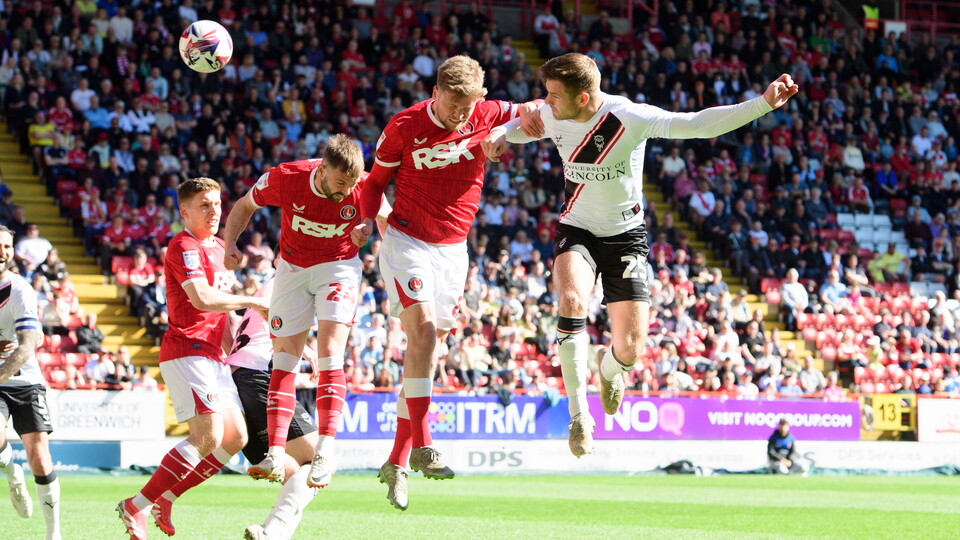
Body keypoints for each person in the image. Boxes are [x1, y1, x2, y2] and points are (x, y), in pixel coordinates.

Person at [482, 52, 797, 456]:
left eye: (554, 94)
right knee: (572, 300)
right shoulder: (554, 112)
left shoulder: (627, 117)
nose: (546, 101)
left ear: (582, 98)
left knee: (630, 348)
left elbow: (697, 125)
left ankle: (610, 367)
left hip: (625, 236)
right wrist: (501, 134)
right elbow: (523, 126)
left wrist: (763, 103)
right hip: (576, 228)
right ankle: (580, 417)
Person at [353, 55, 537, 511]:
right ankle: (423, 443)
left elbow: (540, 110)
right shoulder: (404, 126)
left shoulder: (487, 112)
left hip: (454, 251)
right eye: (453, 104)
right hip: (407, 240)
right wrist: (361, 221)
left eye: (468, 106)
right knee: (423, 333)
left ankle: (396, 461)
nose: (461, 115)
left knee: (426, 350)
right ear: (435, 92)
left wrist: (505, 132)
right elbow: (375, 183)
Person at [117, 178, 269, 538]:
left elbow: (222, 312)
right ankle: (135, 505)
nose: (214, 211)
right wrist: (252, 301)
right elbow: (201, 298)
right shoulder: (182, 245)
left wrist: (235, 348)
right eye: (204, 205)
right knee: (208, 435)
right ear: (184, 211)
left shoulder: (220, 247)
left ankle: (166, 498)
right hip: (187, 350)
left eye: (217, 203)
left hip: (214, 356)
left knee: (235, 439)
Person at [223, 135, 368, 488]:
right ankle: (274, 452)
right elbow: (244, 205)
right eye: (340, 182)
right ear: (322, 169)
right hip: (292, 267)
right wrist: (229, 245)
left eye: (352, 183)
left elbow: (388, 219)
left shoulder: (364, 187)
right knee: (284, 358)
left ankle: (326, 449)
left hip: (339, 266)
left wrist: (370, 230)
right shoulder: (286, 177)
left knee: (330, 351)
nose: (347, 190)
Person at [224, 279, 321, 540]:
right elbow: (270, 311)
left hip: (240, 381)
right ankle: (272, 531)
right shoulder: (281, 281)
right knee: (322, 461)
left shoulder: (271, 288)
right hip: (260, 375)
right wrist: (308, 350)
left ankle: (271, 534)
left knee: (294, 474)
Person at [0, 226, 60, 540]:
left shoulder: (19, 289)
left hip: (24, 380)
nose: (2, 252)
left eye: (7, 246)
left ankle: (54, 533)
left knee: (39, 455)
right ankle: (12, 473)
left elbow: (26, 346)